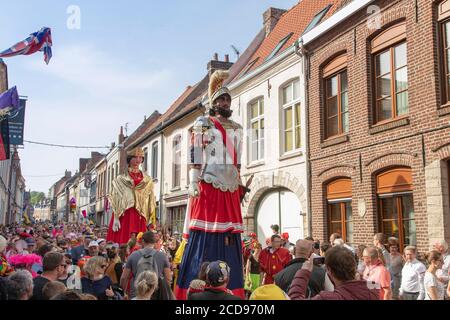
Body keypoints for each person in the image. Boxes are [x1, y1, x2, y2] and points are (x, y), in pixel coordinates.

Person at [175, 70, 251, 300]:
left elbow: (237, 160)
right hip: (208, 184)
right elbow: (195, 152)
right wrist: (192, 181)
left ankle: (233, 288)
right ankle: (197, 286)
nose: (225, 102)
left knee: (231, 233)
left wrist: (239, 185)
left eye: (227, 99)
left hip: (229, 187)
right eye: (220, 98)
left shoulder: (237, 127)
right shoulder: (203, 123)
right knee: (206, 231)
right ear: (213, 102)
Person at [107, 147, 157, 245]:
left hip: (140, 214)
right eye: (135, 157)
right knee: (124, 238)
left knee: (140, 239)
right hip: (125, 213)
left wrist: (152, 217)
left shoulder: (147, 180)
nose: (137, 160)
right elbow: (115, 197)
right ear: (130, 159)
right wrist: (116, 217)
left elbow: (151, 199)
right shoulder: (120, 179)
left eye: (140, 157)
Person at [288, 246, 379, 300]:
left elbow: (295, 297)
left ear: (330, 271)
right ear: (354, 265)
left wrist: (304, 272)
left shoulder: (328, 297)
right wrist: (358, 277)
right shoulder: (374, 287)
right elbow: (368, 285)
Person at [120, 231, 171, 299]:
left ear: (143, 241)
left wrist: (123, 293)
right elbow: (168, 278)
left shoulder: (133, 255)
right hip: (155, 294)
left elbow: (124, 278)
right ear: (154, 241)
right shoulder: (162, 256)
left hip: (137, 294)